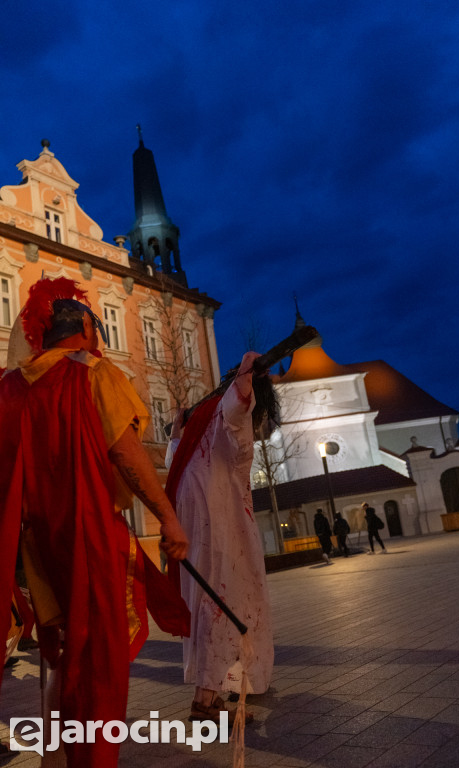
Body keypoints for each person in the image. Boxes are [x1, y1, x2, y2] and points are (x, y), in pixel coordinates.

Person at [0, 277, 190, 768]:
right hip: (90, 535)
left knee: (59, 658)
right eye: (98, 327)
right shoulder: (94, 373)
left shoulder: (10, 387)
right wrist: (168, 518)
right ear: (85, 327)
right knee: (101, 666)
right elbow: (126, 454)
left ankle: (57, 759)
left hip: (37, 546)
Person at [165, 351, 275, 724]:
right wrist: (246, 374)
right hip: (219, 526)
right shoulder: (219, 419)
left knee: (209, 603)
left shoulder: (204, 427)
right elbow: (236, 409)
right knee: (221, 601)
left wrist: (177, 430)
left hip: (198, 526)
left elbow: (173, 458)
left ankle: (212, 694)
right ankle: (205, 703)